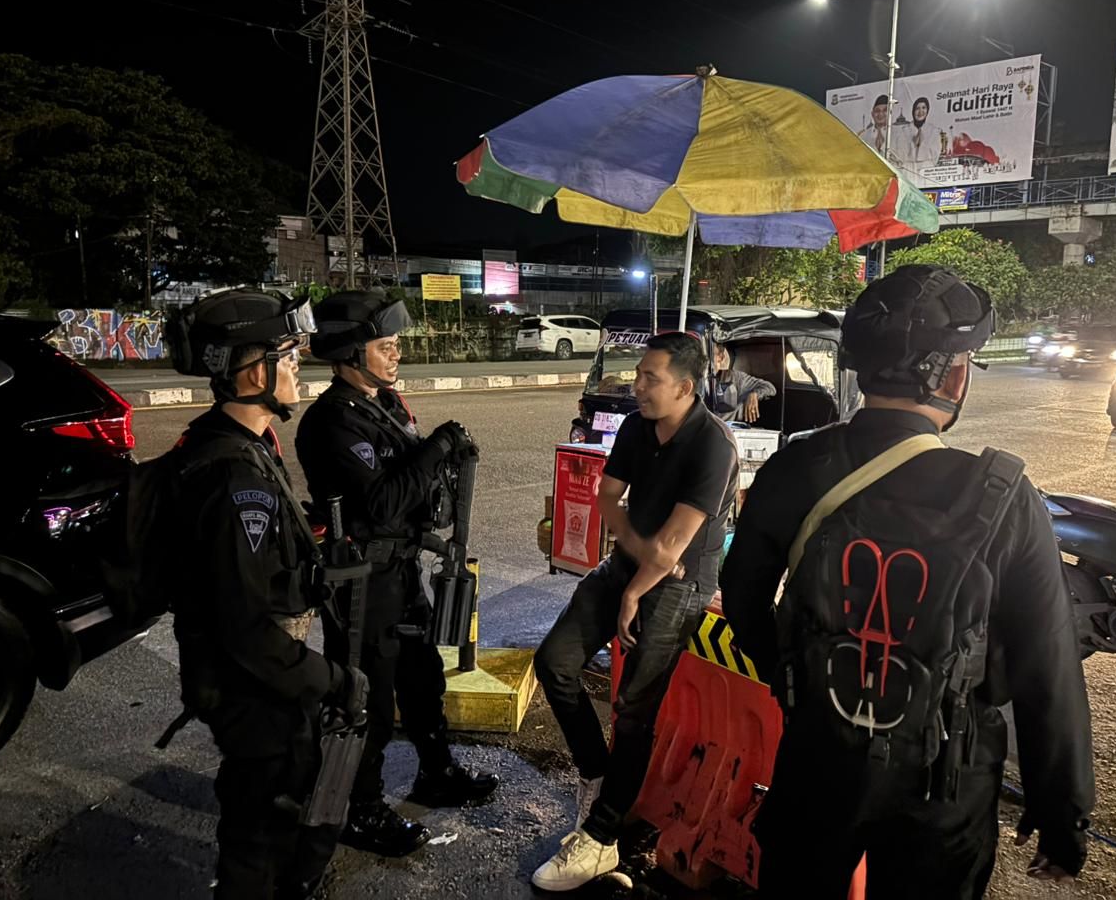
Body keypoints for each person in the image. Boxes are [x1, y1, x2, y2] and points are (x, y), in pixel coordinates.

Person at [721, 265, 1095, 899]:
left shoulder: (795, 468)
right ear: (953, 376)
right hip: (945, 782)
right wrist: (1062, 814)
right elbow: (1047, 664)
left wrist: (800, 688)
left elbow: (743, 598)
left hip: (819, 761)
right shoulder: (1003, 495)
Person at [164, 288, 365, 899]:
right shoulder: (233, 477)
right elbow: (247, 626)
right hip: (252, 685)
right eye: (289, 355)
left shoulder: (237, 441)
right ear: (254, 372)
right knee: (259, 830)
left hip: (258, 677)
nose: (299, 366)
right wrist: (331, 679)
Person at [531, 332, 739, 892]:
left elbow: (676, 546)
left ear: (685, 387)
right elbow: (606, 497)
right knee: (555, 662)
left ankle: (602, 838)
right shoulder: (634, 427)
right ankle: (601, 777)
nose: (636, 386)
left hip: (682, 583)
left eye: (650, 378)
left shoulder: (713, 445)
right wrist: (634, 560)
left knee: (633, 710)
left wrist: (639, 579)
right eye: (638, 374)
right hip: (630, 567)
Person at [295, 291, 498, 859]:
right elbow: (383, 502)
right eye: (386, 347)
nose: (396, 355)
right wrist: (437, 448)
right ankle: (358, 809)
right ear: (351, 353)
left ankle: (436, 773)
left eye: (396, 345)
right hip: (362, 587)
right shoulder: (330, 422)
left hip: (400, 573)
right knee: (370, 703)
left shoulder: (382, 405)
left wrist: (441, 457)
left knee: (422, 678)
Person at [710, 343, 776, 424]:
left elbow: (770, 387)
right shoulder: (695, 380)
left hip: (725, 431)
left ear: (720, 357)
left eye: (709, 353)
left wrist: (754, 394)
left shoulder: (736, 378)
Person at [905, 96, 941, 174]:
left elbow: (936, 154)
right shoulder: (904, 130)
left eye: (924, 108)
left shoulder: (933, 131)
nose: (921, 111)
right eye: (917, 108)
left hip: (926, 168)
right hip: (908, 168)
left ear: (927, 110)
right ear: (913, 111)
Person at [857, 93, 893, 159]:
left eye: (885, 110)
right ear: (872, 114)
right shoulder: (863, 136)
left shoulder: (898, 134)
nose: (880, 114)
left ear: (890, 112)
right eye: (877, 111)